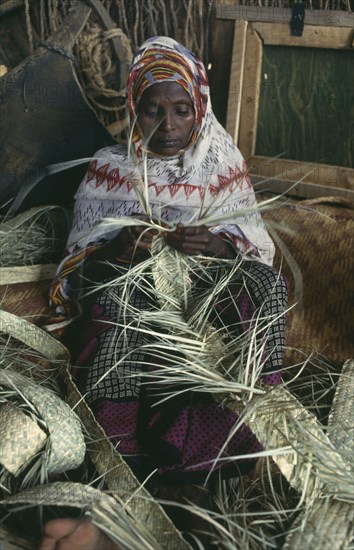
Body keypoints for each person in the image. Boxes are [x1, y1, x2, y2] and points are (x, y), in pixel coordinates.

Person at [42, 36, 288, 549]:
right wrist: (119, 251)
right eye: (153, 110)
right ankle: (124, 452)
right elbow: (76, 265)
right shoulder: (110, 168)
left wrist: (220, 245)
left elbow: (256, 247)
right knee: (121, 296)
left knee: (266, 285)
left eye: (181, 110)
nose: (169, 125)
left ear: (199, 106)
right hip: (137, 287)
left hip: (207, 290)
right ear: (135, 106)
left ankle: (219, 438)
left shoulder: (221, 163)